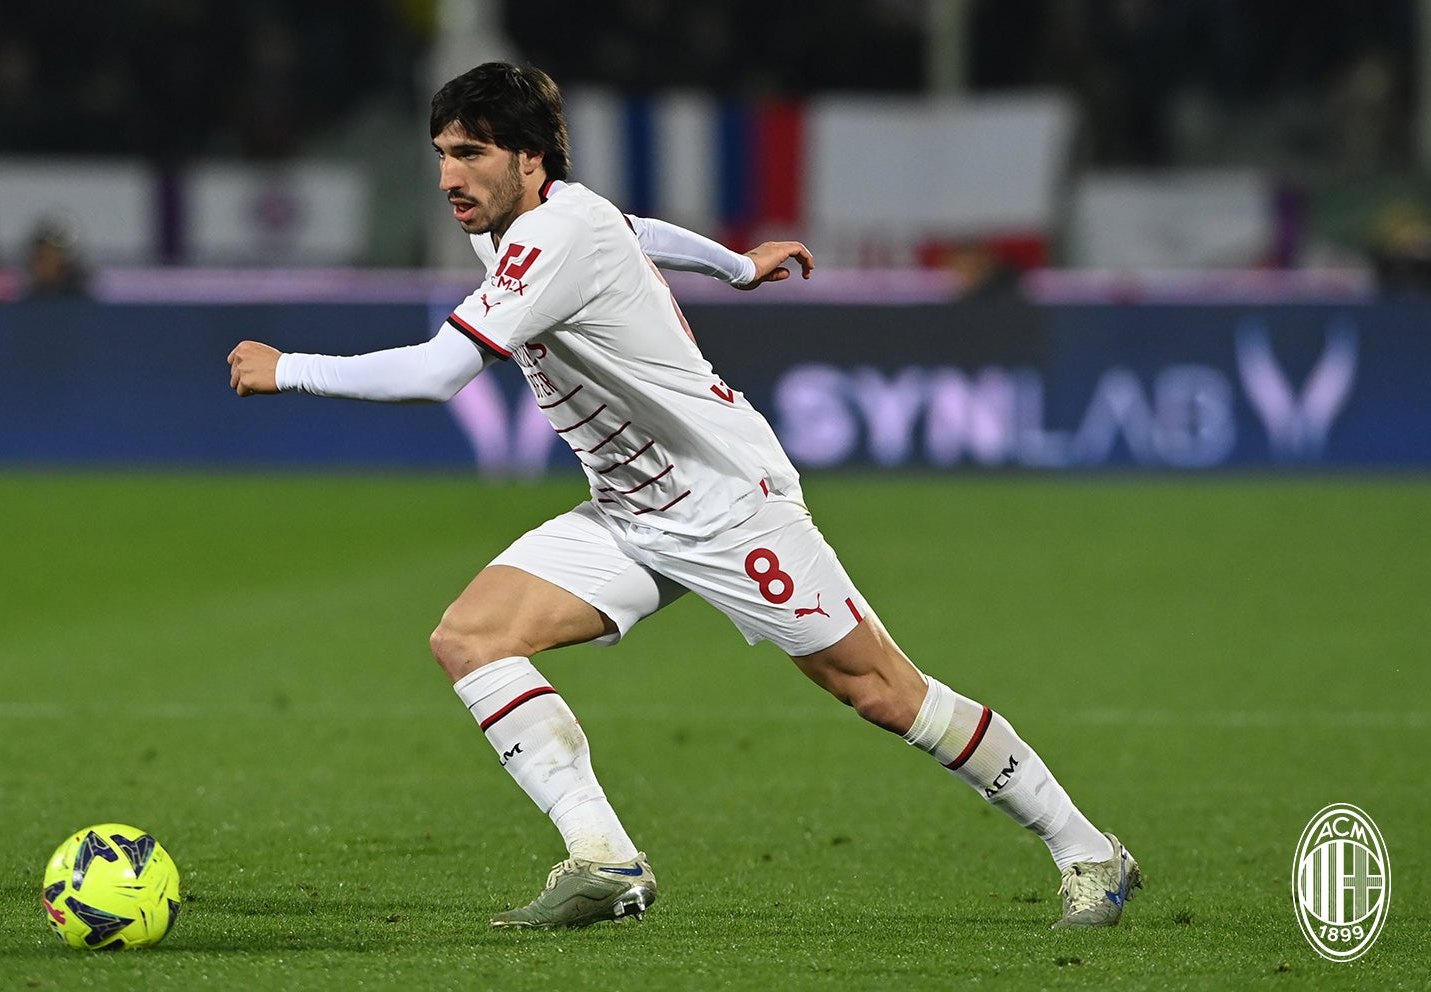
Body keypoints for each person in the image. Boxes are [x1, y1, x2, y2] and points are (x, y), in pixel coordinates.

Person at [227, 61, 1142, 931]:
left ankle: (1090, 851)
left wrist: (289, 369)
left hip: (726, 502)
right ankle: (604, 858)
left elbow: (437, 375)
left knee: (879, 690)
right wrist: (736, 267)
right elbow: (638, 229)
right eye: (439, 154)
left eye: (468, 153)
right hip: (628, 510)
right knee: (472, 638)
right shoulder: (542, 219)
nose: (446, 177)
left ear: (528, 158)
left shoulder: (557, 233)